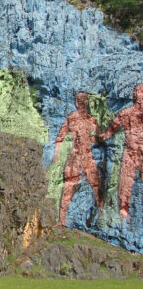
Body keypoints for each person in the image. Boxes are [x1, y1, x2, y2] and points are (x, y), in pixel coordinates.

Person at [52, 92, 103, 226]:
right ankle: (62, 219)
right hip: (76, 156)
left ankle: (102, 215)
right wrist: (56, 155)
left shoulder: (90, 120)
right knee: (69, 186)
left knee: (95, 185)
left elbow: (97, 139)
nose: (81, 103)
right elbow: (60, 137)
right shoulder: (73, 118)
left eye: (83, 101)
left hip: (86, 156)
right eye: (80, 101)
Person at [100, 83, 143, 219]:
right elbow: (113, 127)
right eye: (138, 96)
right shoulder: (126, 113)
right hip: (130, 152)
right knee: (125, 181)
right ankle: (123, 208)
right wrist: (103, 136)